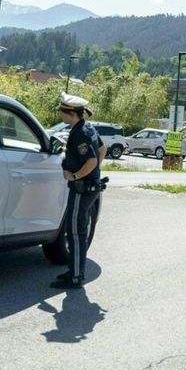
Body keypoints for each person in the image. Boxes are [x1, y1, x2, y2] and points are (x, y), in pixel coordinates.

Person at [52, 92, 106, 289]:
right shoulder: (87, 127)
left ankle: (75, 276)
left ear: (71, 113)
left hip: (82, 189)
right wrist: (94, 172)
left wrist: (76, 176)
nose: (60, 115)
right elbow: (102, 150)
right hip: (91, 187)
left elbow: (91, 160)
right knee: (79, 232)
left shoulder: (80, 133)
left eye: (62, 112)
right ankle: (75, 271)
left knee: (75, 233)